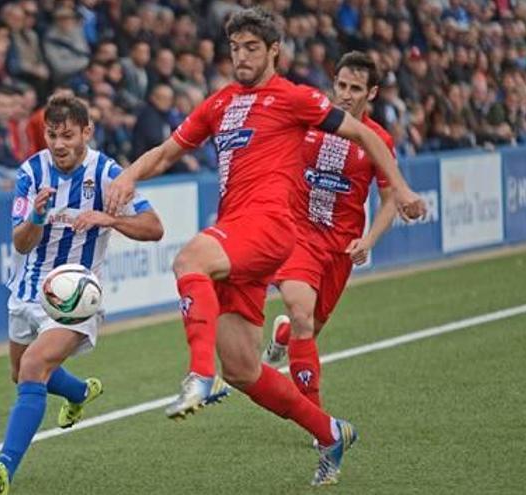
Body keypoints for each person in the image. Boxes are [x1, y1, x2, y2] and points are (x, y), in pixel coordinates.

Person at [105, 8, 426, 485]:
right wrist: (129, 173)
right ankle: (331, 431)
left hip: (272, 225)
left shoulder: (294, 98)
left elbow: (363, 133)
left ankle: (198, 375)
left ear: (274, 51)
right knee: (242, 369)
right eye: (235, 48)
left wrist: (398, 189)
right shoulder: (219, 103)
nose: (241, 56)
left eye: (252, 47)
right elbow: (170, 151)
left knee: (189, 259)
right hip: (238, 232)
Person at [0, 95, 164, 494]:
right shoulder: (31, 172)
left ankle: (5, 466)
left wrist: (110, 218)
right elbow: (21, 244)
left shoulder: (108, 173)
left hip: (76, 296)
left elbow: (154, 227)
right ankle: (79, 391)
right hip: (27, 291)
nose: (58, 144)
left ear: (86, 133)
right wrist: (37, 216)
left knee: (32, 367)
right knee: (20, 372)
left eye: (68, 135)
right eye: (51, 135)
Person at [262, 51, 398, 415]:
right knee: (303, 316)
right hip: (297, 235)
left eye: (356, 88)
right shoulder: (309, 120)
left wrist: (369, 241)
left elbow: (390, 201)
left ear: (372, 93)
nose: (346, 94)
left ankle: (283, 337)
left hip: (339, 247)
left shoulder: (377, 140)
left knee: (309, 329)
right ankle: (316, 420)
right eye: (341, 85)